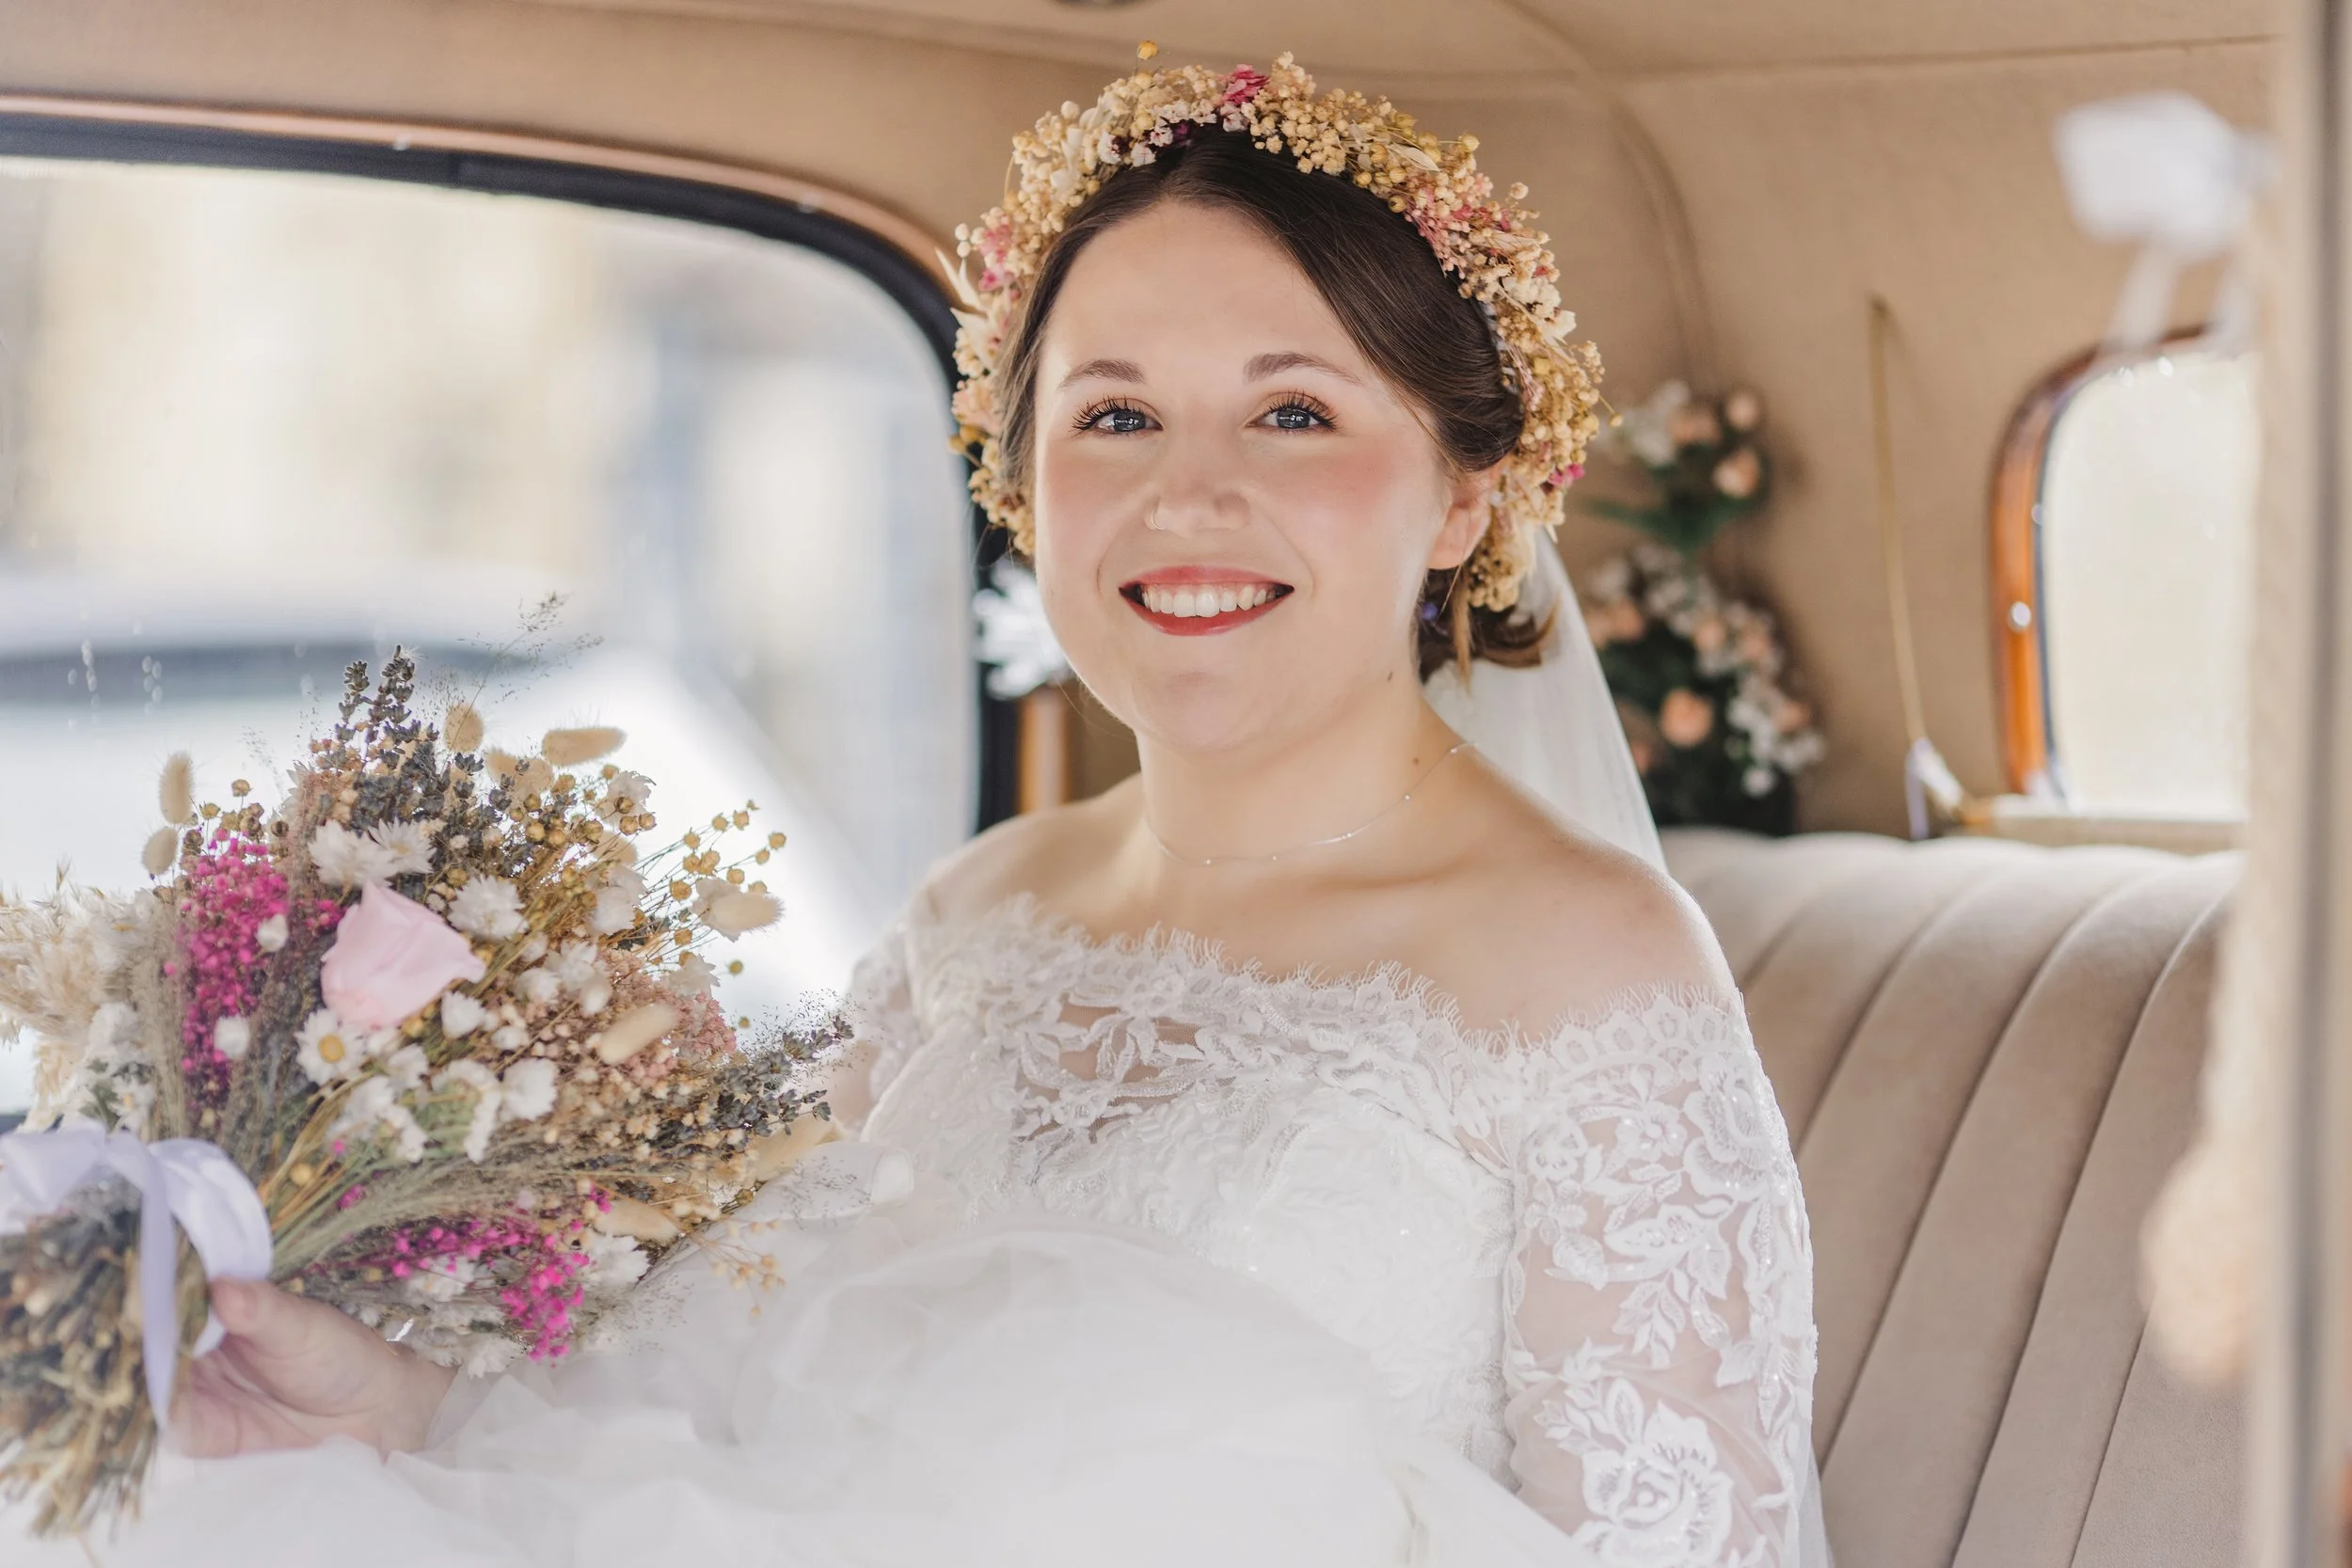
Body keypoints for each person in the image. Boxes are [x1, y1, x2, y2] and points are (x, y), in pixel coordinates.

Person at [46, 55, 1823, 1568]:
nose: (1188, 496)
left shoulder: (1587, 964)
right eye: (1114, 415)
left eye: (1293, 411)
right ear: (1027, 487)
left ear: (1460, 495)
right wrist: (403, 1408)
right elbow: (729, 1402)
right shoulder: (981, 912)